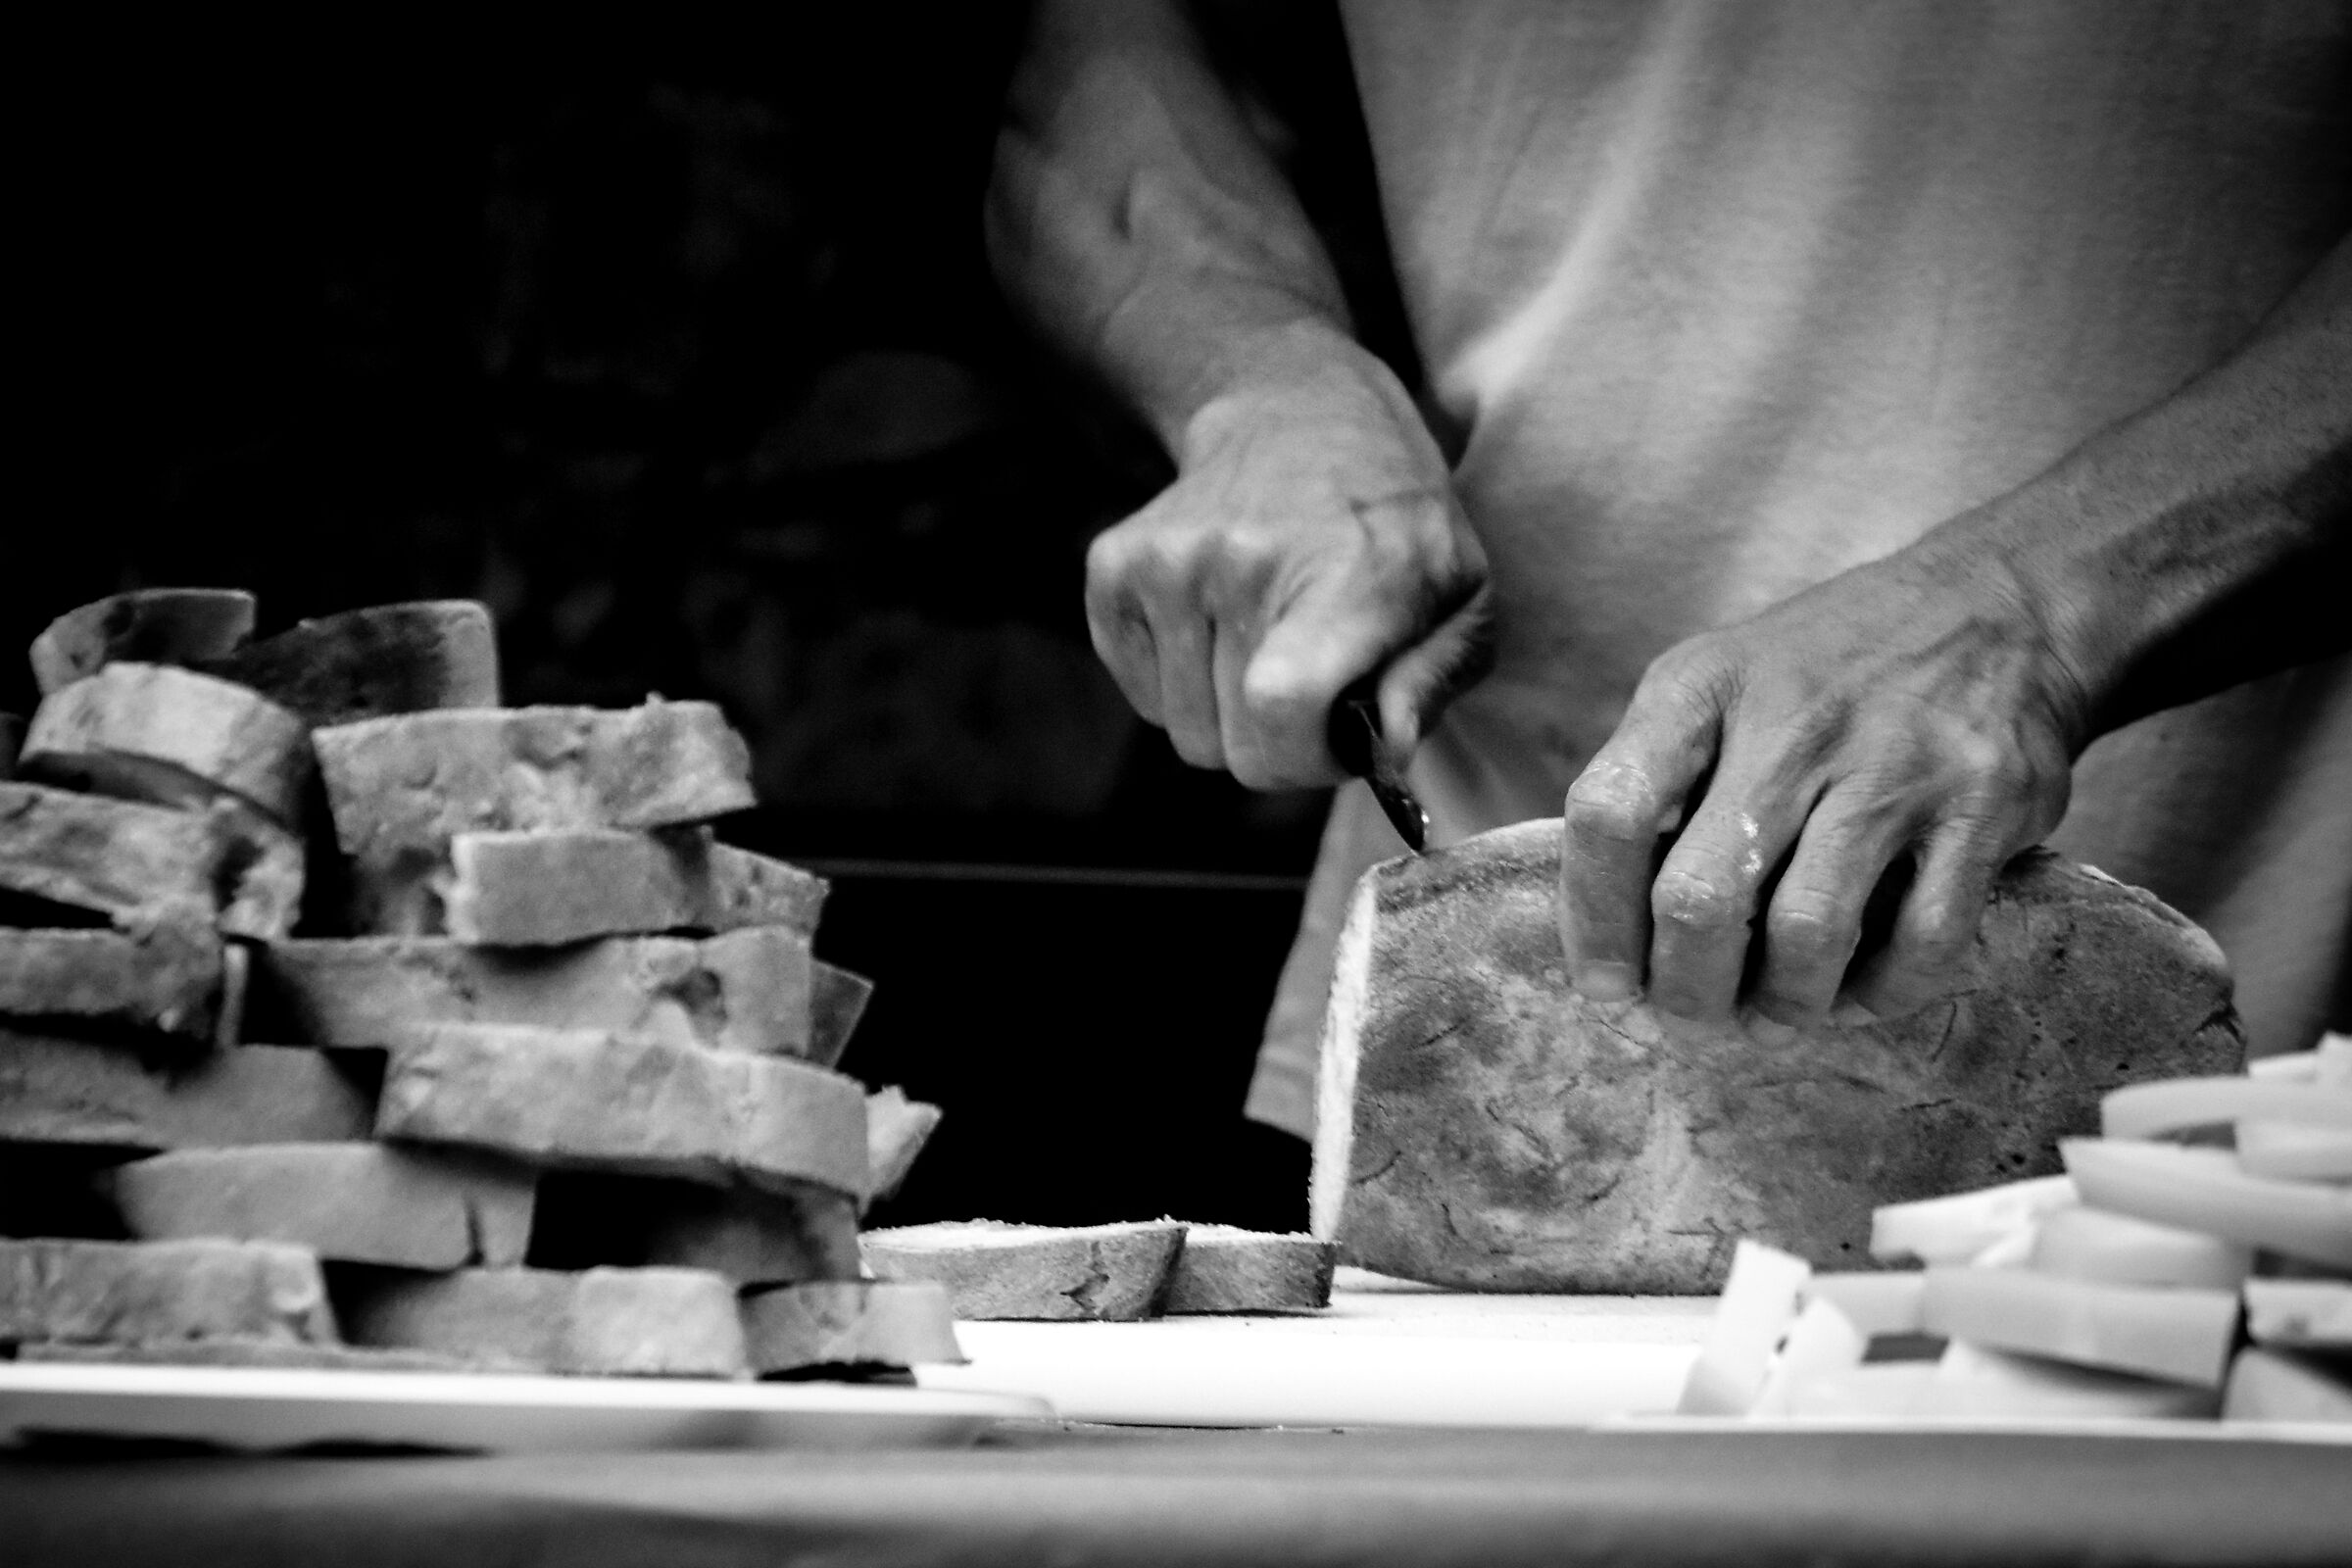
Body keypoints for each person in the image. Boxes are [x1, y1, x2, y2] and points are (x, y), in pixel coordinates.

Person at [988, 0, 2352, 1142]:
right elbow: (1104, 31)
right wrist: (1256, 371)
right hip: (1480, 1061)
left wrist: (2034, 617)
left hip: (2242, 1013)